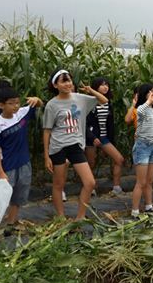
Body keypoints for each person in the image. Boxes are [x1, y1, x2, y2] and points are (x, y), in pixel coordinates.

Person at [43, 69, 108, 220]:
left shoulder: (80, 98)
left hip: (75, 146)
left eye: (69, 80)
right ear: (55, 85)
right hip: (58, 147)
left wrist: (91, 90)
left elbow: (103, 100)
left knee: (90, 183)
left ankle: (80, 217)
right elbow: (47, 131)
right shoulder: (52, 105)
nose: (68, 84)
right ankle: (61, 217)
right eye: (63, 81)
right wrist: (46, 156)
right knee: (59, 185)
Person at [0, 87, 43, 234]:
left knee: (20, 194)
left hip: (25, 162)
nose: (16, 106)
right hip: (8, 166)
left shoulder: (21, 113)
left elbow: (39, 104)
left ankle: (10, 222)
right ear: (0, 105)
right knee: (4, 196)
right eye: (11, 103)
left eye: (18, 103)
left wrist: (36, 100)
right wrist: (0, 172)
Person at [130, 83, 153, 217]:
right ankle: (135, 211)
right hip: (142, 147)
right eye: (151, 93)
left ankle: (148, 206)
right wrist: (148, 101)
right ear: (145, 94)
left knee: (149, 180)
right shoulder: (142, 109)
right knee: (141, 182)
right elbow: (139, 110)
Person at [85, 77, 125, 195]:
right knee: (91, 163)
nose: (105, 87)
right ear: (96, 87)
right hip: (91, 138)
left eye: (106, 84)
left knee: (119, 159)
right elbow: (84, 123)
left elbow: (109, 124)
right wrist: (92, 138)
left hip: (104, 137)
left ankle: (116, 187)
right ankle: (90, 188)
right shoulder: (90, 102)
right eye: (102, 85)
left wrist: (110, 141)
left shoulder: (108, 103)